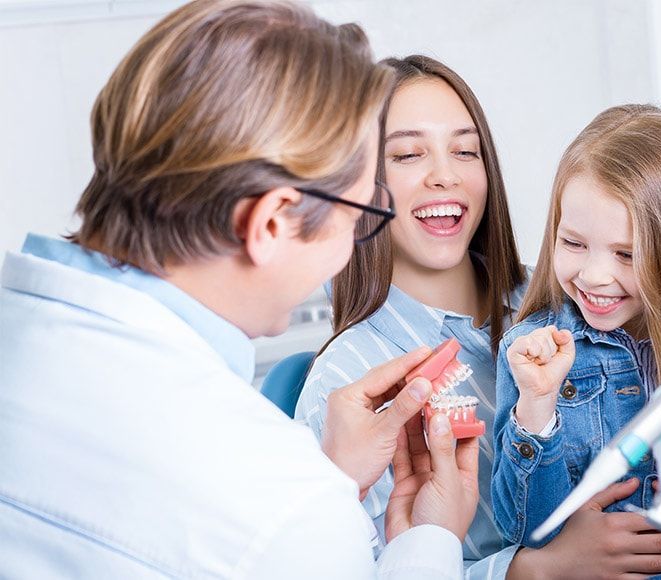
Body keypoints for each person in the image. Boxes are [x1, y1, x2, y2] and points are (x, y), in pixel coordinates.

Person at [0, 2, 480, 578]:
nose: (353, 245)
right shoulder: (281, 511)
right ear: (271, 224)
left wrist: (330, 480)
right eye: (359, 215)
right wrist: (428, 542)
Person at [294, 54, 529, 579]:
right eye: (407, 155)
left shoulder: (565, 297)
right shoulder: (345, 386)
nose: (445, 176)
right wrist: (531, 571)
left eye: (466, 151)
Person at [492, 104, 661, 577]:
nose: (594, 275)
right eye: (573, 243)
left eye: (627, 254)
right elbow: (525, 529)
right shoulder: (535, 355)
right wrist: (538, 409)